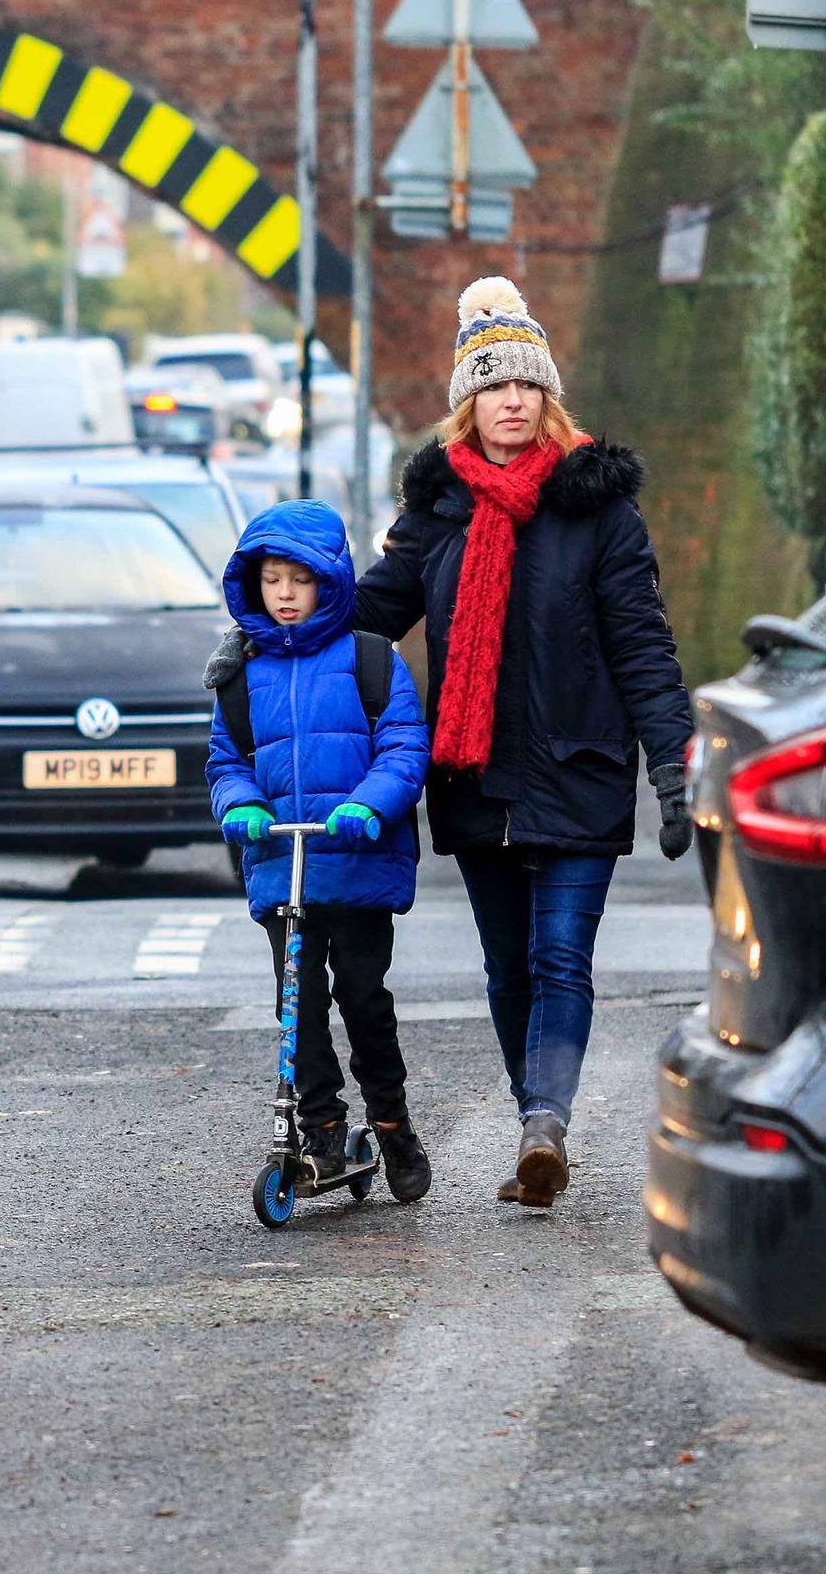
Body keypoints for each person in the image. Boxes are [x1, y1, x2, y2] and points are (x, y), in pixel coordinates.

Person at [207, 276, 694, 1208]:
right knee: (506, 968)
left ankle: (544, 1121)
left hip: (579, 770)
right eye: (491, 386)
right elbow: (370, 614)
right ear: (466, 405)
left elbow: (641, 642)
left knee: (559, 959)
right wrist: (261, 637)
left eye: (525, 386)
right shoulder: (437, 512)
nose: (510, 401)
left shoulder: (599, 508)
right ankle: (533, 1123)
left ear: (546, 399)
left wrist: (671, 763)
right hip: (472, 779)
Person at [208, 498, 435, 1203]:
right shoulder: (239, 672)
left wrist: (370, 803)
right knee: (296, 1003)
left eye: (297, 581)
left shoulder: (370, 659)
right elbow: (227, 759)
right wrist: (241, 804)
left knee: (362, 999)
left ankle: (392, 1123)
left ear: (327, 582)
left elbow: (402, 744)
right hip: (285, 865)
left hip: (356, 861)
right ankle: (321, 1124)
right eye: (271, 580)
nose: (283, 594)